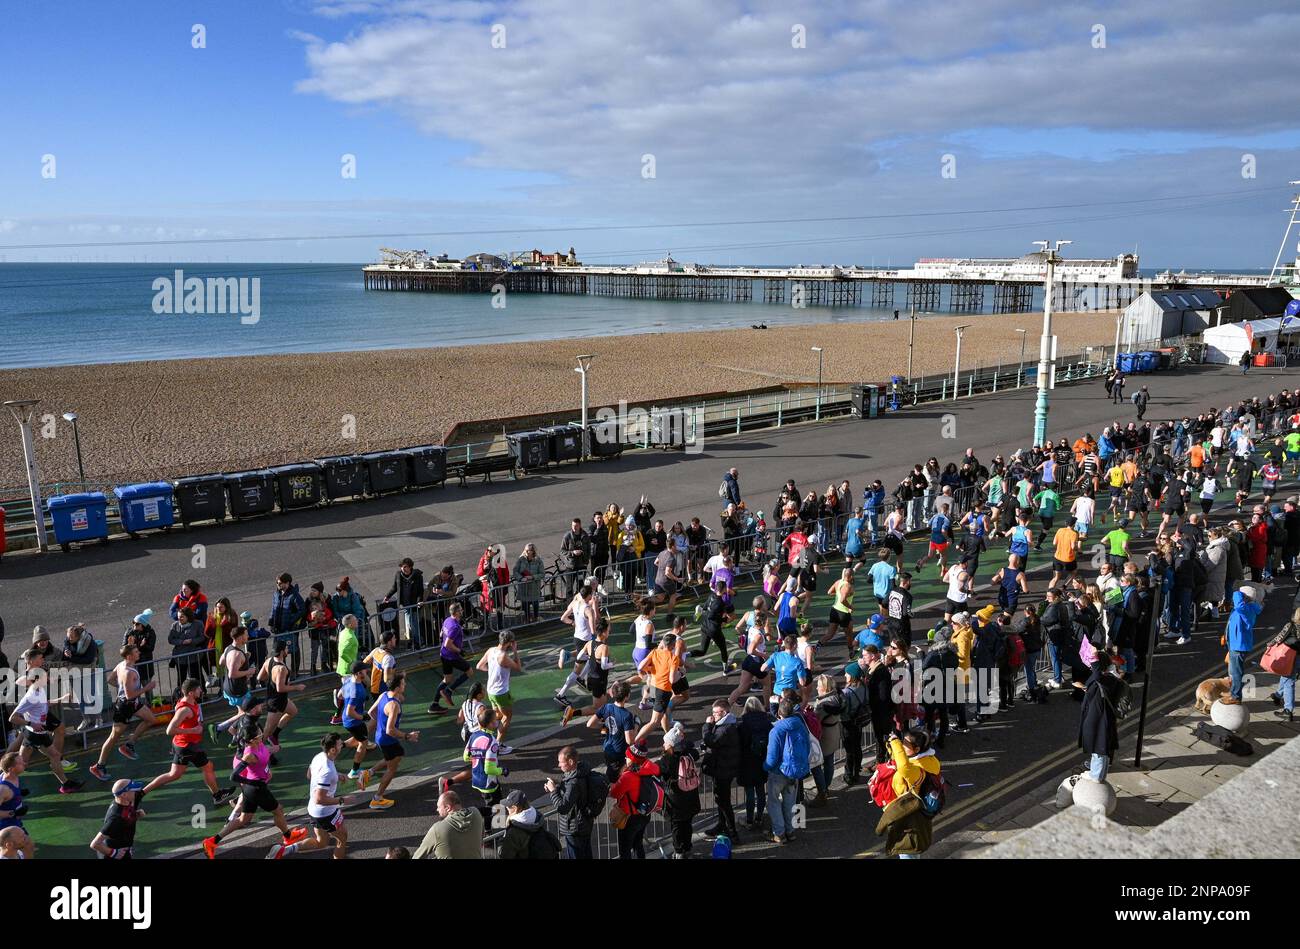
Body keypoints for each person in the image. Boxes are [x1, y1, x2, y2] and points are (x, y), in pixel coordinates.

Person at [202, 721, 309, 859]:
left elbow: (264, 757)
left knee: (244, 818)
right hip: (256, 789)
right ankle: (288, 837)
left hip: (252, 788)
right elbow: (234, 775)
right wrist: (253, 782)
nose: (262, 733)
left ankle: (211, 842)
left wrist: (267, 768)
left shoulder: (260, 743)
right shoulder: (249, 754)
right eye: (259, 733)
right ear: (252, 740)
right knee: (278, 810)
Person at [141, 677, 231, 802]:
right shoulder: (185, 709)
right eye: (198, 689)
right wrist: (193, 730)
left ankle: (142, 792)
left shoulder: (191, 702)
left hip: (183, 745)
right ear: (191, 693)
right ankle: (217, 795)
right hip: (188, 746)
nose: (201, 690)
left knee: (174, 774)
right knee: (207, 767)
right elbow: (169, 730)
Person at [271, 732, 356, 859]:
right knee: (342, 839)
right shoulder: (328, 771)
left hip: (314, 811)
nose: (342, 745)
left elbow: (309, 775)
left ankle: (285, 851)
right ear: (333, 749)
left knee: (321, 842)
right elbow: (319, 798)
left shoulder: (319, 756)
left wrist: (336, 776)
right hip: (326, 813)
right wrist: (343, 800)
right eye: (340, 744)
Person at [10, 648, 83, 794]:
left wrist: (61, 699)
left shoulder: (39, 690)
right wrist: (31, 724)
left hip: (38, 732)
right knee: (22, 763)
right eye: (44, 677)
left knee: (42, 758)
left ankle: (65, 784)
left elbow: (45, 703)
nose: (47, 678)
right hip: (34, 733)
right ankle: (6, 785)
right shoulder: (30, 696)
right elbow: (13, 717)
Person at [88, 644, 157, 782]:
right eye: (136, 651)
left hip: (133, 703)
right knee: (114, 737)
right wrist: (147, 687)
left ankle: (129, 744)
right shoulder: (128, 672)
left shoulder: (121, 665)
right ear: (129, 655)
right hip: (125, 706)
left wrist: (122, 687)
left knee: (151, 720)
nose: (139, 653)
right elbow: (130, 695)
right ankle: (99, 766)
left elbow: (110, 679)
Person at [877, 729, 941, 858]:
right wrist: (891, 748)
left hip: (908, 812)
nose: (901, 745)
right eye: (902, 741)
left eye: (905, 744)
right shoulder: (929, 759)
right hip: (916, 809)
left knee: (907, 848)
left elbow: (904, 767)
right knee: (911, 849)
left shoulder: (916, 769)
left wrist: (895, 742)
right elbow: (901, 761)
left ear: (917, 749)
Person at [367, 670, 420, 810]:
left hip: (380, 737)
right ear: (397, 687)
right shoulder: (393, 705)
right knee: (392, 768)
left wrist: (380, 723)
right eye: (403, 683)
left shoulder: (384, 695)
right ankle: (377, 798)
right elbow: (390, 730)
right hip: (387, 739)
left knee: (395, 757)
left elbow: (371, 712)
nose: (405, 685)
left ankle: (369, 773)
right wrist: (408, 736)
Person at [764, 697, 811, 845]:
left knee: (773, 802)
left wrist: (765, 767)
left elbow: (771, 758)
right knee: (790, 802)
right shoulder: (801, 725)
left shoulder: (776, 730)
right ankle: (790, 831)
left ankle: (779, 833)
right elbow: (807, 747)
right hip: (795, 770)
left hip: (778, 772)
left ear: (779, 713)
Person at [608, 743, 662, 859]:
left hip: (629, 818)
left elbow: (614, 793)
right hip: (644, 814)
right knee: (638, 845)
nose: (625, 758)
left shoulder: (628, 776)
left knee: (625, 850)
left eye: (627, 757)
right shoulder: (650, 769)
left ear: (632, 758)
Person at [546, 744, 600, 860]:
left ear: (570, 762)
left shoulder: (573, 782)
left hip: (574, 827)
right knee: (586, 853)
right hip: (585, 823)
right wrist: (559, 787)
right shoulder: (582, 773)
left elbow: (563, 807)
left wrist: (553, 791)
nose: (558, 765)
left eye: (561, 762)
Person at [700, 698, 741, 840]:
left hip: (723, 770)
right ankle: (721, 825)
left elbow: (712, 741)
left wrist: (706, 726)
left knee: (724, 802)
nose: (713, 716)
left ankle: (732, 831)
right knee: (722, 800)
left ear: (724, 712)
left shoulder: (725, 728)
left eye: (716, 713)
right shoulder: (727, 724)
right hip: (723, 768)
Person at [1078, 653, 1123, 783]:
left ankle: (1096, 776)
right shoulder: (1111, 678)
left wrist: (1093, 658)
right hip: (1106, 717)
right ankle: (1100, 774)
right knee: (1103, 748)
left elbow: (1095, 675)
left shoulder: (1099, 679)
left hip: (1098, 718)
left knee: (1098, 747)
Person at [561, 618, 614, 725]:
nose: (609, 632)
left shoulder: (590, 643)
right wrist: (612, 663)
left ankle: (604, 725)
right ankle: (572, 713)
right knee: (597, 708)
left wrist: (590, 657)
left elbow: (580, 656)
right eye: (608, 630)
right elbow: (604, 666)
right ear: (604, 632)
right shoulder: (604, 647)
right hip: (599, 680)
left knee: (603, 704)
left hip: (592, 677)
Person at [660, 724, 701, 858]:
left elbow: (659, 772)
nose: (664, 744)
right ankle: (687, 847)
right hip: (691, 795)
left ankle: (678, 851)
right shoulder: (689, 754)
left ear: (671, 744)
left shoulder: (667, 759)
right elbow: (694, 751)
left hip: (676, 799)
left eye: (666, 742)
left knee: (677, 826)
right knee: (687, 824)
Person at [477, 630, 522, 754]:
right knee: (507, 716)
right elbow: (518, 667)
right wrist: (515, 651)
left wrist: (492, 671)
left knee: (498, 716)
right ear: (509, 643)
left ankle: (488, 738)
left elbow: (479, 666)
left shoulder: (490, 650)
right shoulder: (503, 656)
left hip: (491, 690)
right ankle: (497, 746)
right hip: (501, 692)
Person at [258, 638, 305, 753]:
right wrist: (296, 687)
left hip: (282, 699)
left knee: (293, 711)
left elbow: (260, 677)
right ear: (282, 651)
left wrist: (271, 679)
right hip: (276, 702)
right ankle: (258, 750)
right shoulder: (281, 668)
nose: (288, 649)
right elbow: (280, 688)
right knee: (267, 729)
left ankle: (275, 734)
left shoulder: (268, 661)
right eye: (286, 648)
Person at [413, 790, 485, 859]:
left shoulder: (437, 829)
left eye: (438, 807)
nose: (437, 809)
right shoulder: (476, 813)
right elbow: (481, 839)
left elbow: (418, 856)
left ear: (447, 807)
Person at [464, 704, 506, 819]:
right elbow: (489, 769)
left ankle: (489, 830)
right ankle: (494, 832)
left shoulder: (473, 736)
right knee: (496, 809)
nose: (497, 721)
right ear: (491, 724)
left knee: (492, 805)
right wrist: (503, 770)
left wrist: (479, 757)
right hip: (489, 781)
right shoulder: (492, 741)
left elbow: (466, 756)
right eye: (495, 720)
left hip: (477, 778)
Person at [1223, 585, 1263, 705]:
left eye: (1240, 595)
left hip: (1239, 646)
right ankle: (1233, 693)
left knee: (1236, 672)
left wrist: (1236, 592)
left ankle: (1235, 697)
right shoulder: (1246, 607)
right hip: (1236, 644)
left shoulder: (1246, 609)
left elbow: (1239, 603)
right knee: (1233, 670)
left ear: (1244, 597)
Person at [89, 778, 146, 859]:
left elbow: (123, 824)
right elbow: (94, 844)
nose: (136, 792)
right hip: (116, 854)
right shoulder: (116, 818)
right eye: (133, 790)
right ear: (124, 795)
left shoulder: (120, 803)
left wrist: (135, 815)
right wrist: (114, 853)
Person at [431, 603, 472, 714]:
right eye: (461, 610)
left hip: (443, 655)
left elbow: (441, 635)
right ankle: (449, 691)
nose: (462, 611)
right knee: (469, 671)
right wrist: (460, 651)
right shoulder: (455, 626)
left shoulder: (447, 620)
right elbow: (448, 644)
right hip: (452, 656)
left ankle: (434, 705)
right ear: (457, 612)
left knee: (447, 679)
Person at [338, 661, 373, 785]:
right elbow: (349, 711)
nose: (367, 671)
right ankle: (354, 771)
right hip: (354, 721)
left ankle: (338, 746)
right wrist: (361, 717)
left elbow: (340, 695)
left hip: (348, 721)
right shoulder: (356, 691)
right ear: (358, 673)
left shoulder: (348, 681)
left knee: (358, 738)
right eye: (364, 670)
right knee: (363, 743)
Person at [384, 559, 425, 649]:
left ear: (410, 567)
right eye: (402, 567)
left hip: (414, 604)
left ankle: (417, 642)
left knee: (412, 623)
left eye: (405, 566)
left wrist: (419, 601)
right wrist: (387, 596)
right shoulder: (399, 575)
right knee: (410, 624)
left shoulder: (417, 576)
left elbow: (420, 591)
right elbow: (395, 587)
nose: (403, 568)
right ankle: (415, 641)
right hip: (405, 604)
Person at [515, 543, 545, 623]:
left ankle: (536, 617)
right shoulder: (521, 559)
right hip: (524, 587)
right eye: (527, 550)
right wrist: (521, 578)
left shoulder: (538, 560)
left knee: (535, 604)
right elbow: (515, 571)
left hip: (534, 587)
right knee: (525, 604)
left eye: (530, 550)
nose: (528, 552)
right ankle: (527, 618)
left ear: (533, 551)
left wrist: (532, 577)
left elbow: (542, 574)